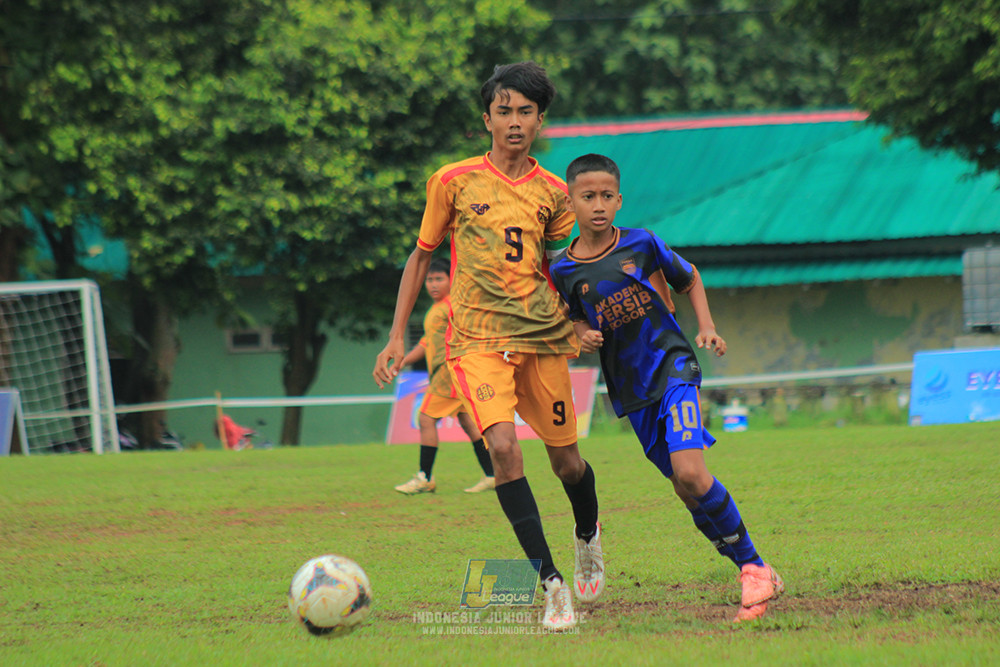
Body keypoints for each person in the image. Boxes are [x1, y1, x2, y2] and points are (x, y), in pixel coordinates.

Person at [373, 62, 602, 631]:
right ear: (487, 118)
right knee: (502, 450)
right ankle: (550, 585)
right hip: (475, 342)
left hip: (542, 340)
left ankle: (587, 534)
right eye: (505, 110)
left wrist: (579, 320)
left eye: (526, 111)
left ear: (540, 120)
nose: (515, 121)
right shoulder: (452, 181)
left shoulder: (554, 193)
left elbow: (566, 266)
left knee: (568, 464)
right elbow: (421, 256)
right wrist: (397, 332)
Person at [549, 153, 784, 623]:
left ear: (620, 200)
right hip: (632, 390)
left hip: (673, 366)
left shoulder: (642, 243)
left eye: (607, 196)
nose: (598, 205)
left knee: (693, 473)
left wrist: (707, 327)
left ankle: (754, 568)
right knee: (683, 486)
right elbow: (571, 322)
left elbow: (689, 275)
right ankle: (752, 567)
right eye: (587, 196)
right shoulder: (563, 272)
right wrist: (579, 335)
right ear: (569, 202)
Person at [393, 257, 496, 495]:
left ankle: (424, 478)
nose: (433, 284)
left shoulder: (453, 306)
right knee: (469, 423)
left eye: (439, 278)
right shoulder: (436, 309)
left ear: (451, 279)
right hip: (449, 375)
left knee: (426, 419)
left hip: (448, 375)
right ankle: (492, 474)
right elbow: (427, 341)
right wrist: (404, 360)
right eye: (429, 280)